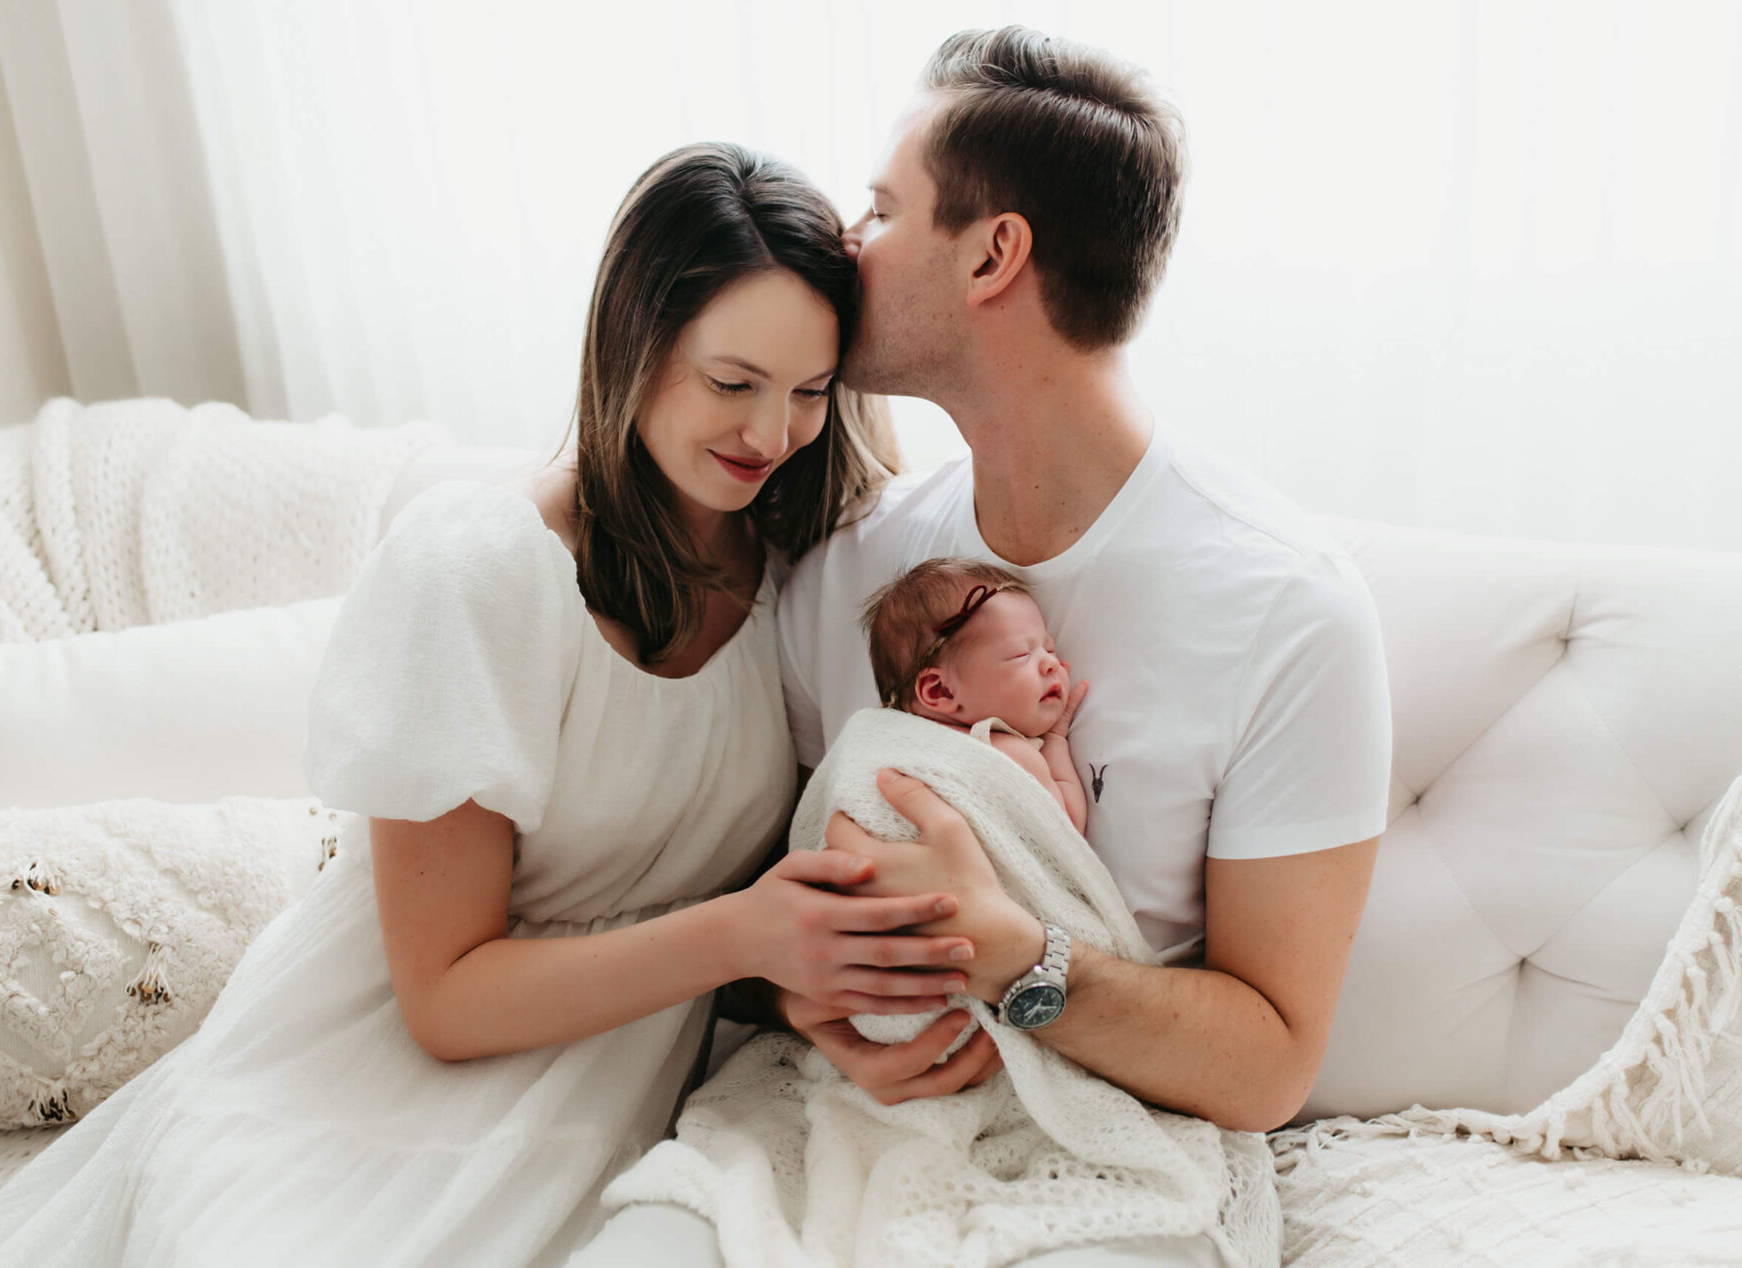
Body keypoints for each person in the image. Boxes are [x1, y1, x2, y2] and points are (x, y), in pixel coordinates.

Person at [0, 142, 962, 1268]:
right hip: (364, 1109)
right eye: (732, 383)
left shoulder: (794, 573)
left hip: (591, 1117)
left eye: (809, 392)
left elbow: (724, 904)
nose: (771, 436)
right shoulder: (482, 570)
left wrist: (801, 985)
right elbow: (442, 996)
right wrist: (744, 934)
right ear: (632, 347)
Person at [591, 25, 1393, 1268]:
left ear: (991, 253)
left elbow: (1270, 1062)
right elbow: (761, 901)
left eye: (882, 207)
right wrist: (801, 989)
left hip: (1091, 1134)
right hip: (834, 1110)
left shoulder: (1285, 609)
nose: (847, 242)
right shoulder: (849, 560)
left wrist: (1016, 951)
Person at [864, 557, 1089, 829]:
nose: (1051, 663)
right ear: (941, 690)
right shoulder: (1012, 755)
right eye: (1021, 654)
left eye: (1049, 648)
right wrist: (1055, 739)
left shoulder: (889, 741)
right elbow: (1067, 832)